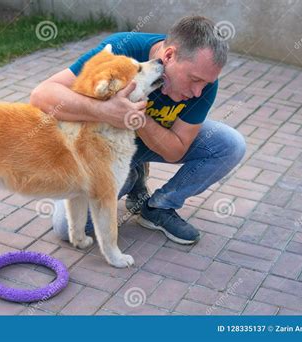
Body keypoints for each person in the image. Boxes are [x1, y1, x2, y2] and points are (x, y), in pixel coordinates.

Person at [30, 15, 246, 245]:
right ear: (169, 55)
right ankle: (132, 178)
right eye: (194, 80)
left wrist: (136, 118)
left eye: (206, 83)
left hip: (144, 142)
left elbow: (175, 151)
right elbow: (42, 95)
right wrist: (105, 110)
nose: (197, 93)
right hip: (101, 152)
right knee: (69, 229)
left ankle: (159, 207)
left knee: (230, 145)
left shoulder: (204, 85)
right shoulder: (124, 49)